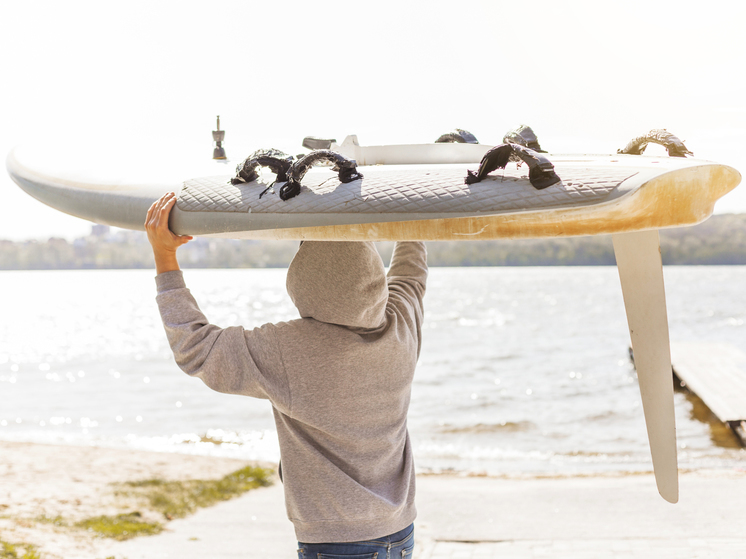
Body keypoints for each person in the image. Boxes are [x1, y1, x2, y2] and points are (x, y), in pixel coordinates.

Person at [145, 192, 428, 558]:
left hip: (338, 542)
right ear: (372, 278)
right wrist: (418, 219)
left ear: (304, 283)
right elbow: (411, 273)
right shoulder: (401, 323)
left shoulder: (288, 347)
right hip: (400, 529)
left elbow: (196, 349)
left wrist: (164, 256)